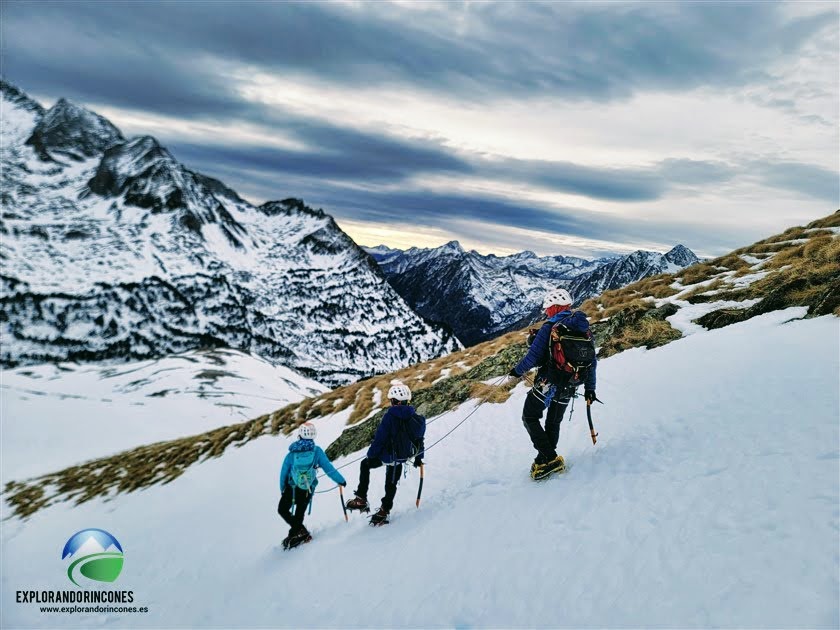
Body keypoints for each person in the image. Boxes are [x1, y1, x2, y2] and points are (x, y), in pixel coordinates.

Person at [506, 287, 597, 480]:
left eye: (548, 308)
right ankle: (542, 461)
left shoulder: (550, 327)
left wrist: (516, 371)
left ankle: (551, 458)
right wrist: (590, 389)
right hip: (571, 383)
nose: (546, 311)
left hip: (549, 382)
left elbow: (532, 357)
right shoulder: (584, 329)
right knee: (553, 422)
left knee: (529, 417)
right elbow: (592, 362)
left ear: (555, 307)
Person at [345, 382, 426, 526]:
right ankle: (384, 510)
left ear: (395, 401)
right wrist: (418, 459)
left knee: (365, 464)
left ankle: (361, 499)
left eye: (392, 400)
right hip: (402, 458)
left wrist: (371, 455)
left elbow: (379, 439)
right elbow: (419, 441)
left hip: (387, 456)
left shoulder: (389, 416)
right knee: (391, 484)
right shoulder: (418, 419)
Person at [278, 421, 346, 549]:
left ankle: (299, 532)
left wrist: (283, 488)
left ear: (300, 435)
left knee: (282, 509)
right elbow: (328, 468)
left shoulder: (292, 454)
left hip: (291, 488)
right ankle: (299, 532)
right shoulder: (317, 451)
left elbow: (283, 473)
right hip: (308, 488)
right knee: (299, 513)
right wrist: (340, 480)